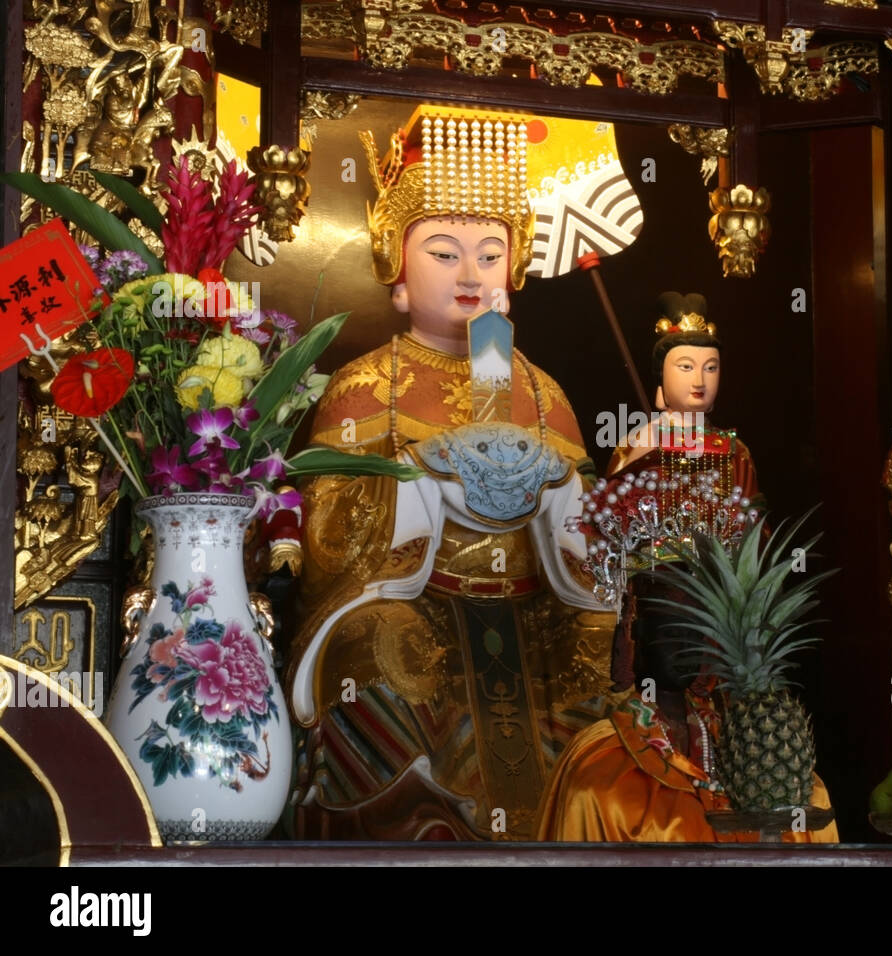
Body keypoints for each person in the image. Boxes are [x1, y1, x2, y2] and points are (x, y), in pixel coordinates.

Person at [286, 106, 614, 841]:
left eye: (490, 254)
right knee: (375, 645)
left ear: (516, 265)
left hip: (533, 602)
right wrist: (421, 482)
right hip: (415, 595)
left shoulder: (542, 392)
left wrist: (553, 493)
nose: (471, 274)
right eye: (443, 252)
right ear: (395, 268)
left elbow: (592, 530)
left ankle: (575, 819)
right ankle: (416, 818)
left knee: (596, 633)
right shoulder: (366, 385)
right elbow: (325, 532)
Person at [536, 572, 838, 842]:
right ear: (635, 640)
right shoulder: (600, 760)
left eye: (694, 636)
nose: (685, 649)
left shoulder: (734, 739)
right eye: (671, 635)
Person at [606, 293, 761, 512]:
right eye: (686, 367)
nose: (699, 381)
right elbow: (610, 516)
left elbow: (755, 527)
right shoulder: (637, 443)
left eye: (710, 368)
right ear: (661, 377)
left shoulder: (735, 453)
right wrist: (643, 455)